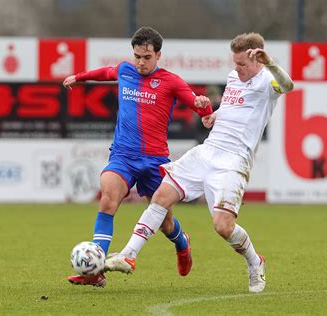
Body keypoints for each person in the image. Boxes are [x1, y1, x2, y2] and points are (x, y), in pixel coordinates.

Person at [104, 32, 294, 293]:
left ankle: (255, 261)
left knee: (223, 227)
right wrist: (214, 116)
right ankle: (128, 255)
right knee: (161, 196)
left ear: (257, 59)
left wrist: (270, 62)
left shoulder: (267, 81)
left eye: (242, 64)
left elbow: (288, 86)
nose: (236, 69)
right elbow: (233, 108)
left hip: (233, 161)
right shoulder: (233, 77)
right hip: (207, 151)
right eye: (234, 63)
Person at [63, 26, 212, 287]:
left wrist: (203, 105)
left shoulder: (171, 82)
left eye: (146, 57)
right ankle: (96, 271)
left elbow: (201, 109)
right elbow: (106, 73)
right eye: (137, 57)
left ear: (158, 55)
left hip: (154, 161)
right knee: (108, 200)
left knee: (165, 224)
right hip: (122, 155)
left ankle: (182, 242)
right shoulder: (125, 70)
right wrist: (79, 77)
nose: (141, 63)